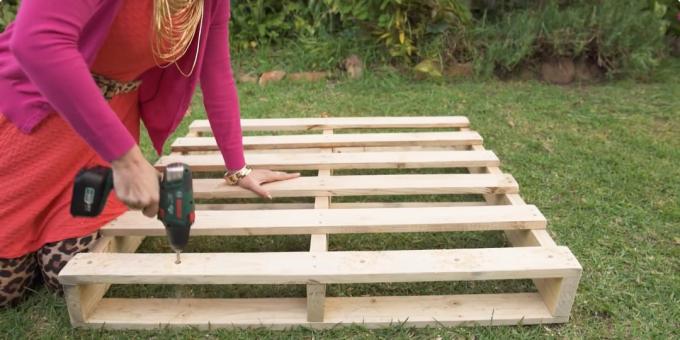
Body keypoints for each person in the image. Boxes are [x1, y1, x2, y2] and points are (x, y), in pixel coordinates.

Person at [0, 0, 299, 307]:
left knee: (64, 272)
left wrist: (238, 168)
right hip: (32, 117)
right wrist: (128, 161)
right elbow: (36, 41)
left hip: (102, 136)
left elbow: (217, 72)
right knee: (6, 290)